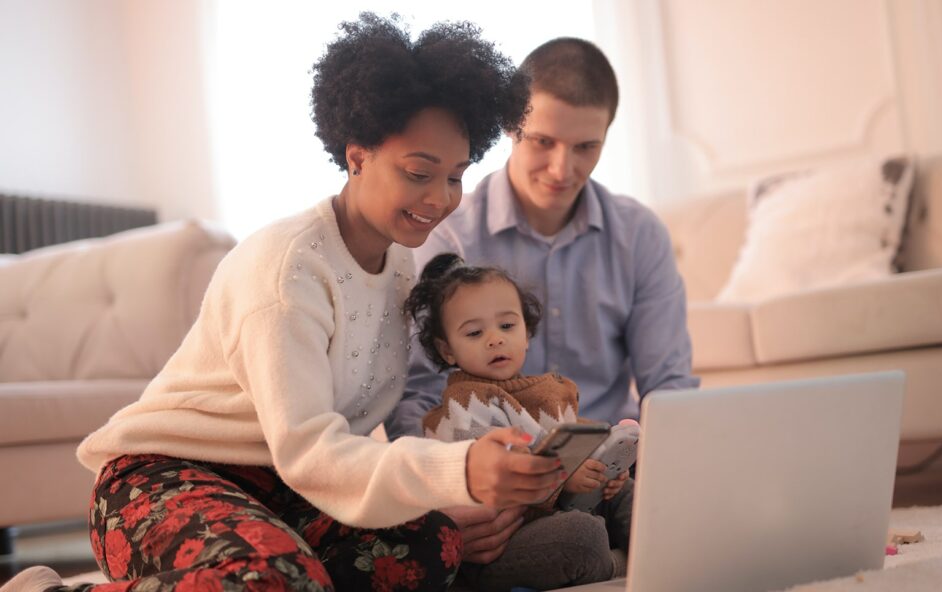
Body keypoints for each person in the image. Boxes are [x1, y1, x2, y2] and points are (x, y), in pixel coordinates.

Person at [0, 13, 558, 592]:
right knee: (268, 579)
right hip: (161, 479)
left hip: (281, 489)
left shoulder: (397, 265)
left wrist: (450, 489)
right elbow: (312, 453)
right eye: (420, 172)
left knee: (431, 543)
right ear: (358, 154)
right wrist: (458, 472)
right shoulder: (289, 268)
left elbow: (336, 451)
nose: (441, 199)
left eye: (455, 177)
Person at [386, 37, 699, 569]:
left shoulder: (639, 235)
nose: (562, 168)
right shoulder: (447, 235)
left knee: (706, 517)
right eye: (543, 141)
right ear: (511, 128)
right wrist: (451, 493)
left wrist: (673, 473)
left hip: (614, 470)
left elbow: (668, 389)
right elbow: (415, 395)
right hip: (499, 482)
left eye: (585, 148)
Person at [405, 253, 633, 591]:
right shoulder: (465, 404)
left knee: (635, 495)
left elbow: (579, 436)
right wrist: (564, 478)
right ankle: (619, 563)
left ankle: (665, 549)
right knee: (581, 538)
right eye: (474, 333)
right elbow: (501, 473)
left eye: (507, 326)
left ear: (526, 333)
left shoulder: (548, 390)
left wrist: (609, 469)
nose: (495, 338)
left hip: (563, 509)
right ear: (447, 350)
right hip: (503, 543)